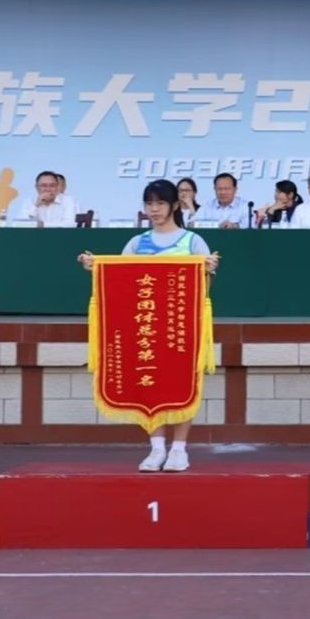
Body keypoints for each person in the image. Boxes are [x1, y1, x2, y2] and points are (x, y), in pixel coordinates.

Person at [77, 180, 219, 472]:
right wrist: (96, 268)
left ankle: (179, 449)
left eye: (160, 203)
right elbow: (120, 281)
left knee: (183, 385)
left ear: (174, 205)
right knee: (149, 382)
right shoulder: (136, 243)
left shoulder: (192, 242)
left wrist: (207, 271)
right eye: (149, 204)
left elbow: (204, 289)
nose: (154, 210)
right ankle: (156, 447)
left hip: (180, 328)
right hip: (146, 327)